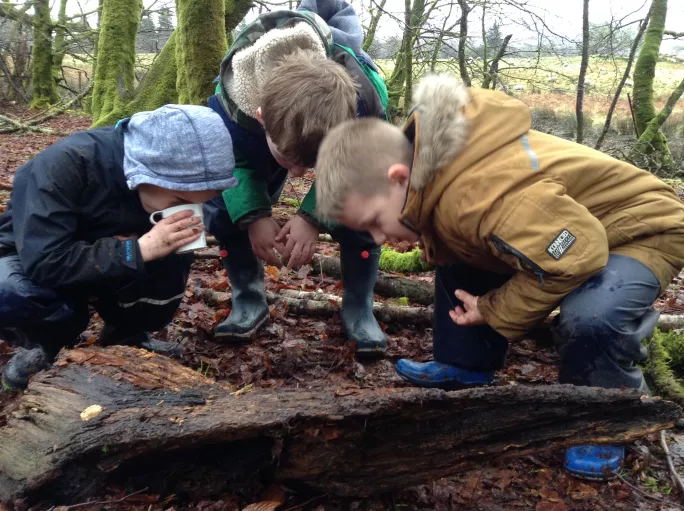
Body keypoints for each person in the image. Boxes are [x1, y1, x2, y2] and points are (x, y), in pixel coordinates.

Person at [313, 74, 684, 481]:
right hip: (573, 230)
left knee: (592, 313)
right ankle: (464, 363)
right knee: (456, 248)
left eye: (374, 222)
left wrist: (493, 308)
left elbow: (574, 256)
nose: (380, 238)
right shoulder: (435, 179)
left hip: (642, 229)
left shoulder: (478, 196)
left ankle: (602, 417)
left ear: (399, 178)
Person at [0, 104, 237, 391]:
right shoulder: (64, 165)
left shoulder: (179, 183)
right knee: (10, 289)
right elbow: (45, 260)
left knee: (173, 256)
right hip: (33, 257)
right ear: (144, 172)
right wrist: (135, 251)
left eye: (201, 200)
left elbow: (200, 211)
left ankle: (127, 335)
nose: (189, 210)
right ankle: (43, 343)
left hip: (110, 257)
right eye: (179, 202)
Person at [203, 0, 390, 356]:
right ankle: (247, 296)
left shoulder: (366, 102)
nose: (299, 175)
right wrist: (254, 215)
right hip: (250, 140)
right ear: (260, 117)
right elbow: (230, 160)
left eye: (311, 165)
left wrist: (311, 216)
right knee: (221, 202)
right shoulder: (230, 103)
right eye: (290, 161)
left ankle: (358, 306)